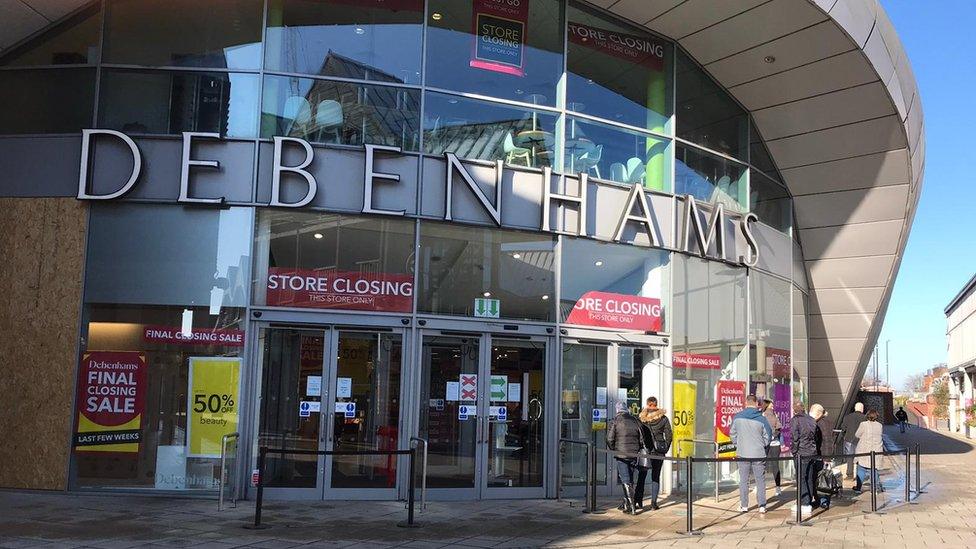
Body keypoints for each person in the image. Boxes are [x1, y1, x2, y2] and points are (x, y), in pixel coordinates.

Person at [730, 395, 772, 513]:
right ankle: (762, 505)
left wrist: (738, 444)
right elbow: (768, 437)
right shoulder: (762, 419)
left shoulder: (737, 417)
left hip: (743, 453)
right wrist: (761, 445)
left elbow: (732, 434)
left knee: (743, 480)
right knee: (760, 480)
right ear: (756, 403)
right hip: (759, 453)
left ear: (746, 402)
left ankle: (744, 505)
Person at [607, 401, 645, 514]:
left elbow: (609, 439)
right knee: (630, 479)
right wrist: (638, 448)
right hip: (634, 453)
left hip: (622, 453)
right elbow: (641, 437)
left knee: (625, 479)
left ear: (617, 410)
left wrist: (614, 449)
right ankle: (626, 503)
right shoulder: (635, 420)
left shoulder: (615, 420)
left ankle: (632, 506)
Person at [638, 396, 672, 510]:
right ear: (656, 404)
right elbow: (669, 435)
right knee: (655, 476)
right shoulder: (663, 418)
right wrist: (665, 446)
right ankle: (653, 503)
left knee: (642, 475)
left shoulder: (642, 418)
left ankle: (639, 500)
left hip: (646, 450)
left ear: (647, 404)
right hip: (658, 451)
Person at [790, 402, 821, 516]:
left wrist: (794, 451)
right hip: (811, 452)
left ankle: (804, 503)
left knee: (801, 478)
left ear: (794, 410)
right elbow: (814, 437)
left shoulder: (795, 420)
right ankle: (807, 501)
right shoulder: (811, 420)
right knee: (809, 478)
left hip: (801, 453)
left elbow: (795, 438)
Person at [854, 409, 885, 493]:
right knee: (874, 470)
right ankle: (875, 488)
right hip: (876, 450)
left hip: (864, 450)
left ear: (867, 415)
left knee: (861, 469)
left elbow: (857, 435)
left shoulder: (863, 424)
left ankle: (858, 488)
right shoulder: (879, 425)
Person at [810, 403, 834, 507]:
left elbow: (823, 440)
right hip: (826, 454)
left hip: (821, 454)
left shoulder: (819, 423)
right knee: (824, 477)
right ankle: (824, 500)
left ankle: (821, 500)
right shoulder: (827, 422)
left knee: (820, 478)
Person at [760, 398, 783, 496]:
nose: (773, 406)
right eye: (771, 404)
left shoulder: (762, 415)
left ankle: (761, 485)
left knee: (761, 464)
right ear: (767, 405)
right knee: (775, 465)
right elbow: (779, 427)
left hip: (765, 443)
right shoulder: (772, 415)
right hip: (774, 443)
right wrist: (774, 435)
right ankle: (778, 487)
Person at [839, 403, 866, 479]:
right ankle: (859, 476)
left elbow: (843, 428)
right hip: (860, 441)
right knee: (859, 459)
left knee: (849, 458)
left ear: (855, 408)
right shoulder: (864, 418)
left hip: (849, 440)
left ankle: (849, 475)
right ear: (862, 409)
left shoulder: (847, 417)